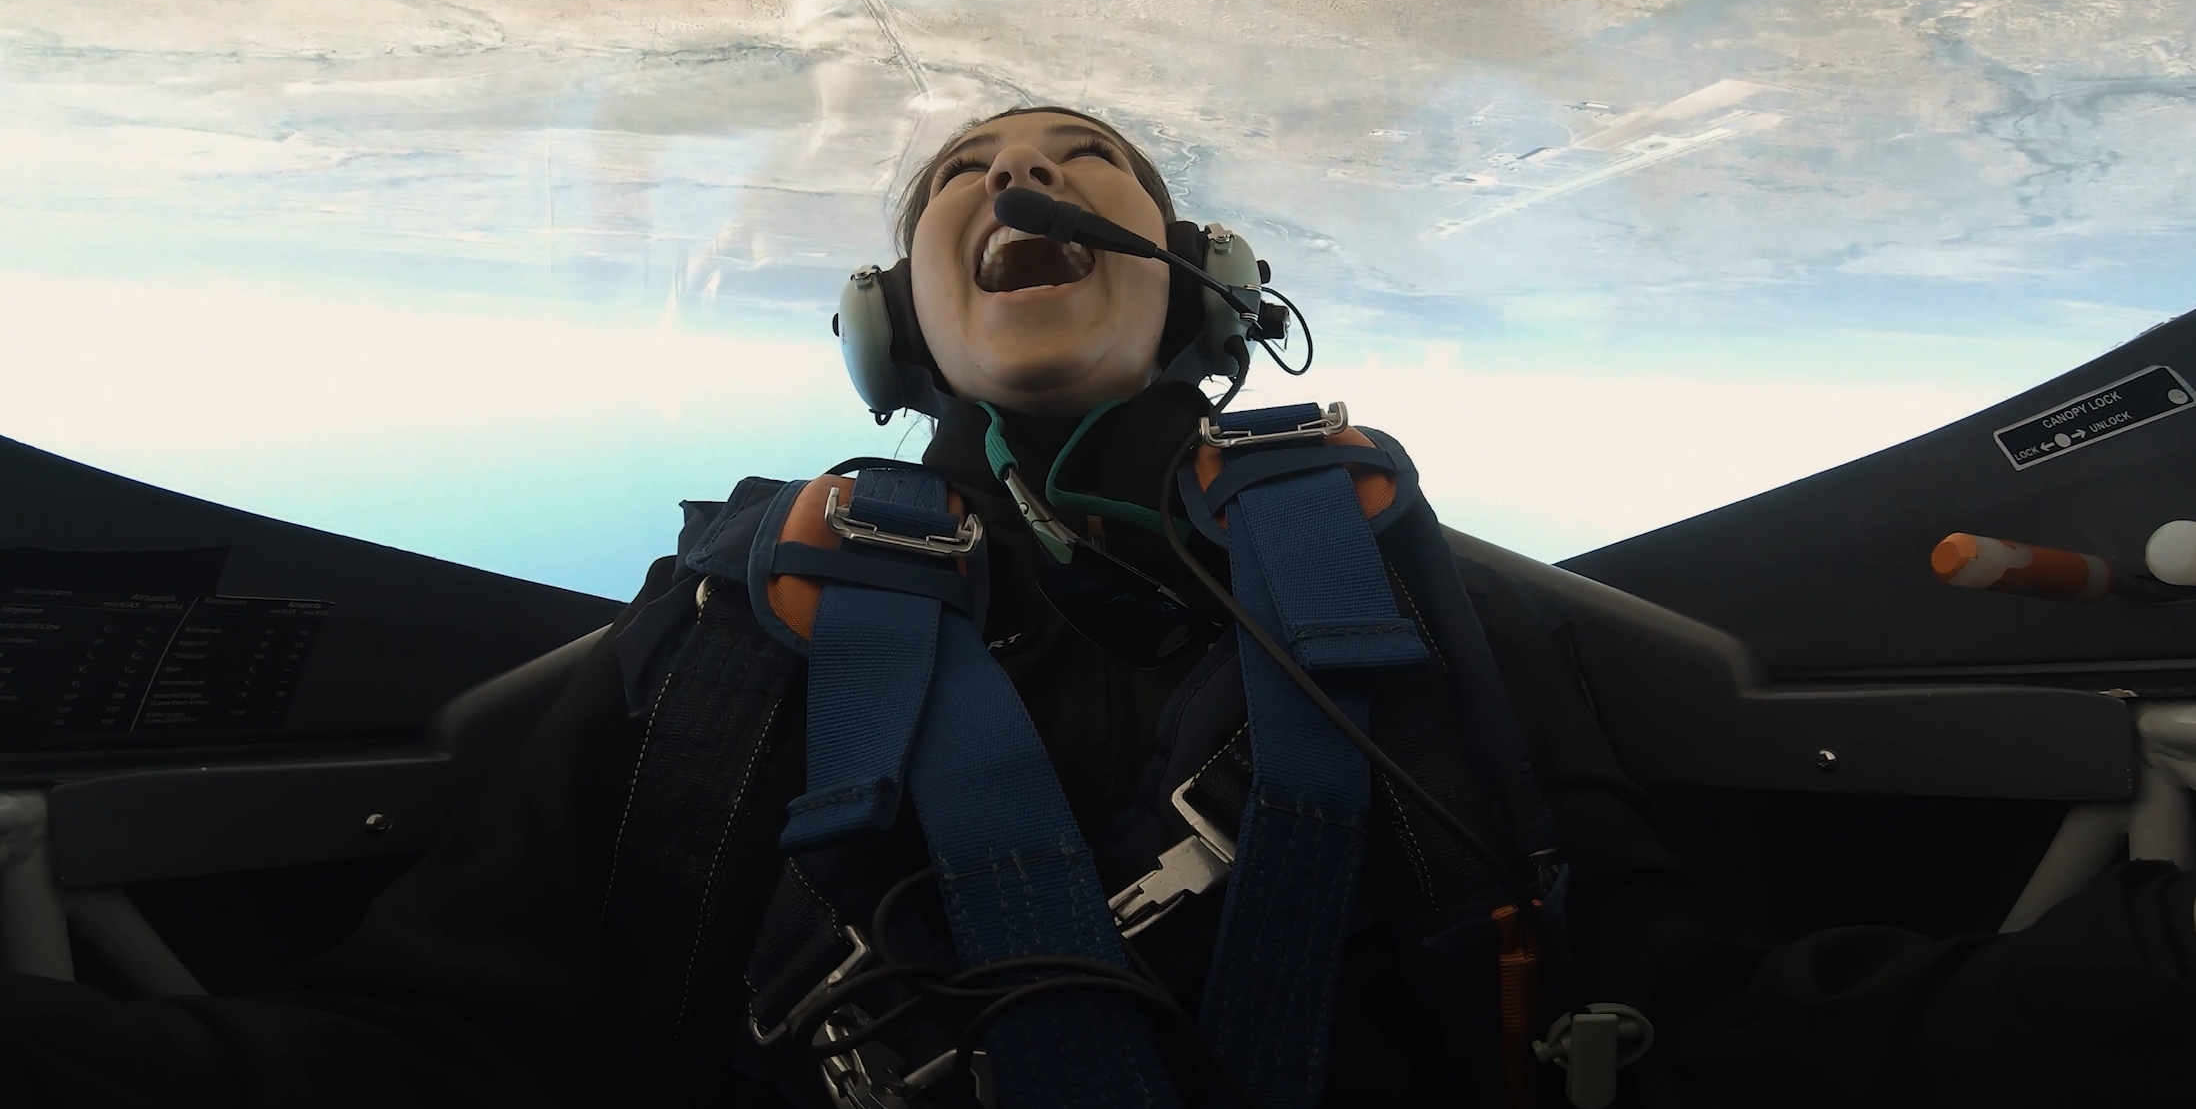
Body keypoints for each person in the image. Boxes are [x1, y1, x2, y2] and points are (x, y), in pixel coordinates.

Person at [3, 105, 2193, 1109]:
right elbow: (437, 1053)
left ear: (1208, 293)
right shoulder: (734, 611)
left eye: (1071, 165)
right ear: (891, 326)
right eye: (954, 178)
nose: (1006, 186)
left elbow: (1668, 1015)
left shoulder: (1392, 580)